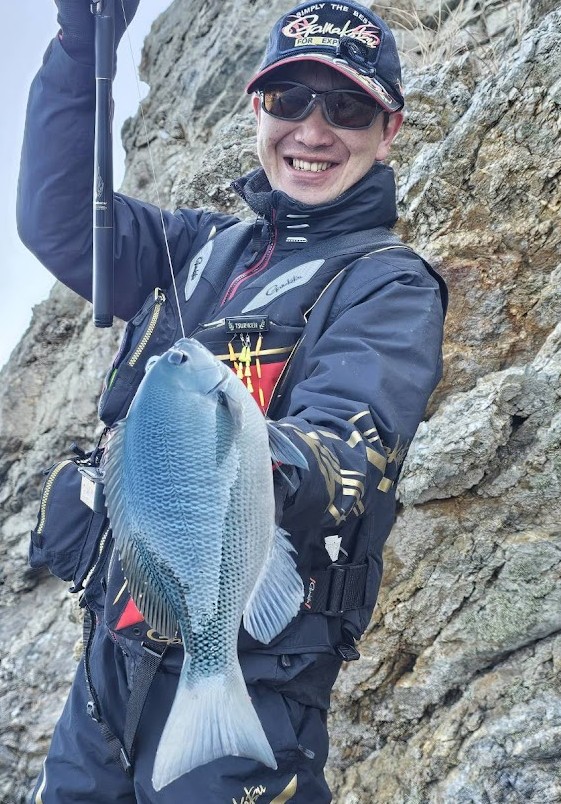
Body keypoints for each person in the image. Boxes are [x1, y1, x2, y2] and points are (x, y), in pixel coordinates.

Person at [18, 1, 447, 801]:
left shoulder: (388, 287)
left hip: (256, 678)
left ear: (387, 130)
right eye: (289, 100)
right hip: (108, 667)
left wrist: (221, 453)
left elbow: (348, 446)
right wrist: (82, 48)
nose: (312, 130)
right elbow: (58, 221)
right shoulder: (194, 247)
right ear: (257, 111)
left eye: (347, 108)